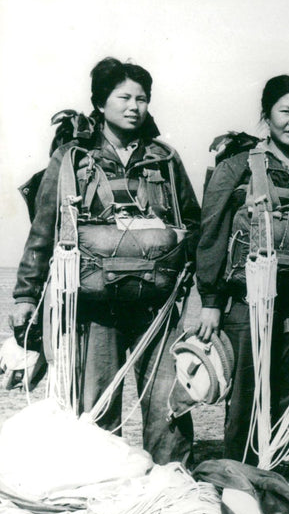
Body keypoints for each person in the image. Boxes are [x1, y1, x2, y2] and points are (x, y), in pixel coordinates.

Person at [10, 57, 200, 464]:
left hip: (158, 306)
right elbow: (44, 229)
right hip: (96, 306)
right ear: (100, 102)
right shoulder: (72, 158)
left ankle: (173, 480)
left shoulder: (165, 159)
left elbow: (193, 223)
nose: (135, 106)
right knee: (95, 404)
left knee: (169, 401)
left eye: (143, 98)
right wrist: (26, 294)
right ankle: (102, 480)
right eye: (124, 97)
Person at [196, 75, 289, 479]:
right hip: (248, 309)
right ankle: (241, 482)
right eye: (285, 111)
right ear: (267, 116)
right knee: (246, 401)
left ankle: (287, 482)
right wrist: (210, 302)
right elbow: (210, 235)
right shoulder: (236, 168)